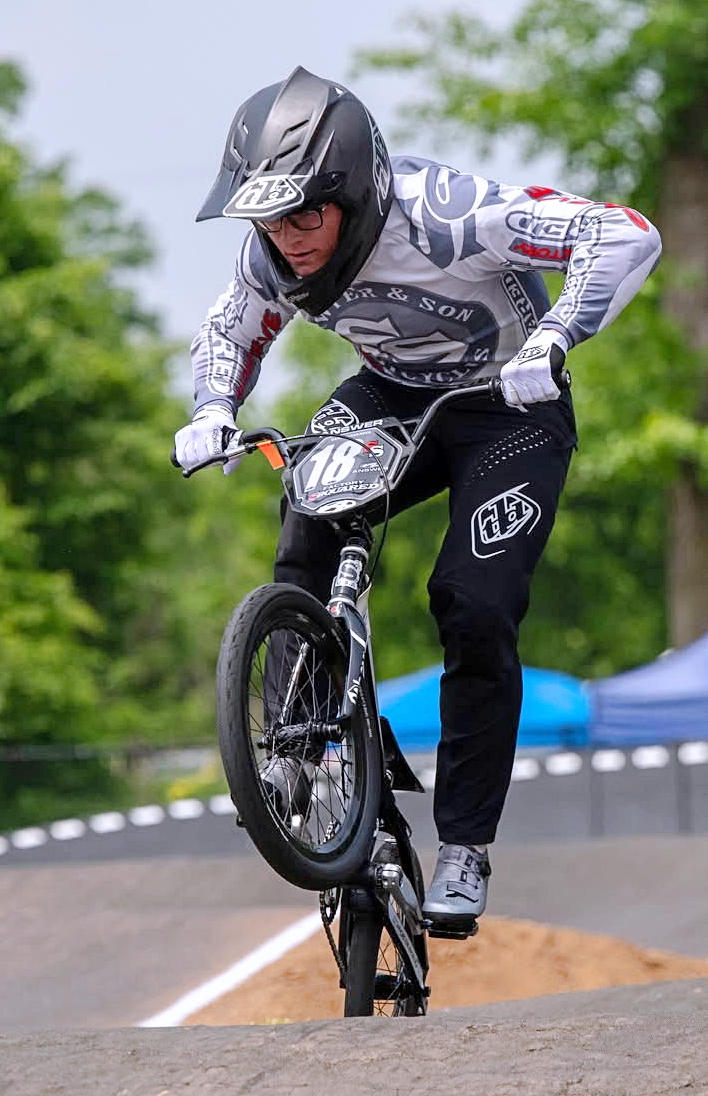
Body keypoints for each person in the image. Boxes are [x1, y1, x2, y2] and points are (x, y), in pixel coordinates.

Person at [174, 66, 661, 933]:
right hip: (391, 396)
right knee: (305, 513)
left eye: (304, 216)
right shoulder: (269, 255)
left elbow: (624, 233)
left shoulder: (446, 214)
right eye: (269, 221)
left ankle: (465, 844)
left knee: (472, 604)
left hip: (507, 407)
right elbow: (229, 325)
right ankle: (297, 744)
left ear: (355, 192)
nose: (287, 240)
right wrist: (212, 409)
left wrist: (553, 338)